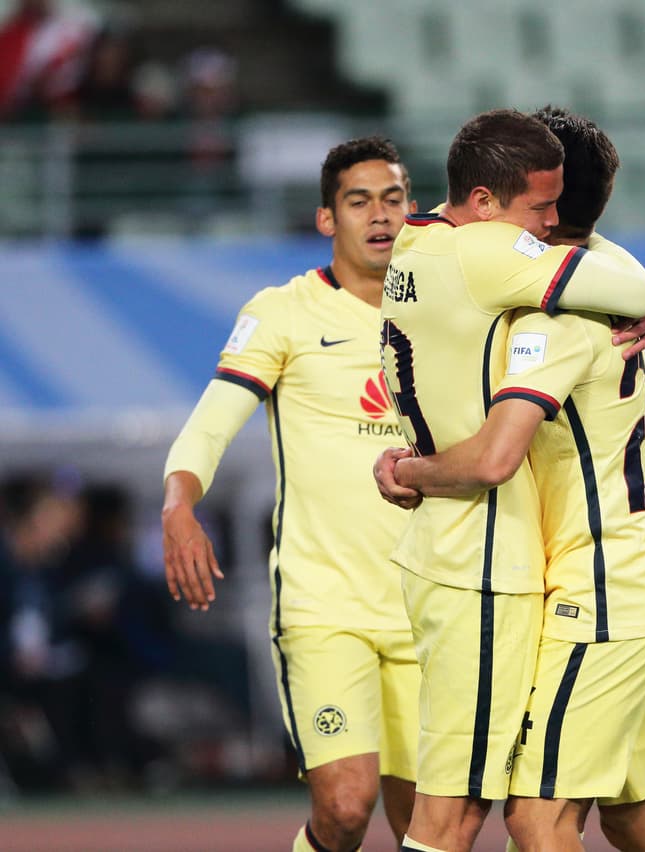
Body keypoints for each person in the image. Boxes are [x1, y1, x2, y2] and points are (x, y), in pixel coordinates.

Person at [377, 106, 645, 852]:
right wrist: (644, 303)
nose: (543, 217)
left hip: (601, 591)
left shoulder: (541, 318)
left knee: (527, 818)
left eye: (552, 203)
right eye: (537, 201)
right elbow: (631, 284)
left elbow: (494, 458)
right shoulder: (571, 286)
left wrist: (407, 467)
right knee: (637, 820)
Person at [162, 136, 424, 852]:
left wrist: (630, 318)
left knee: (428, 832)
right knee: (344, 808)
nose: (379, 216)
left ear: (413, 210)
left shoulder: (446, 312)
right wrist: (178, 505)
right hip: (325, 607)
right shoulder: (284, 312)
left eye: (393, 198)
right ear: (325, 218)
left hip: (431, 606)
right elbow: (211, 425)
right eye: (359, 201)